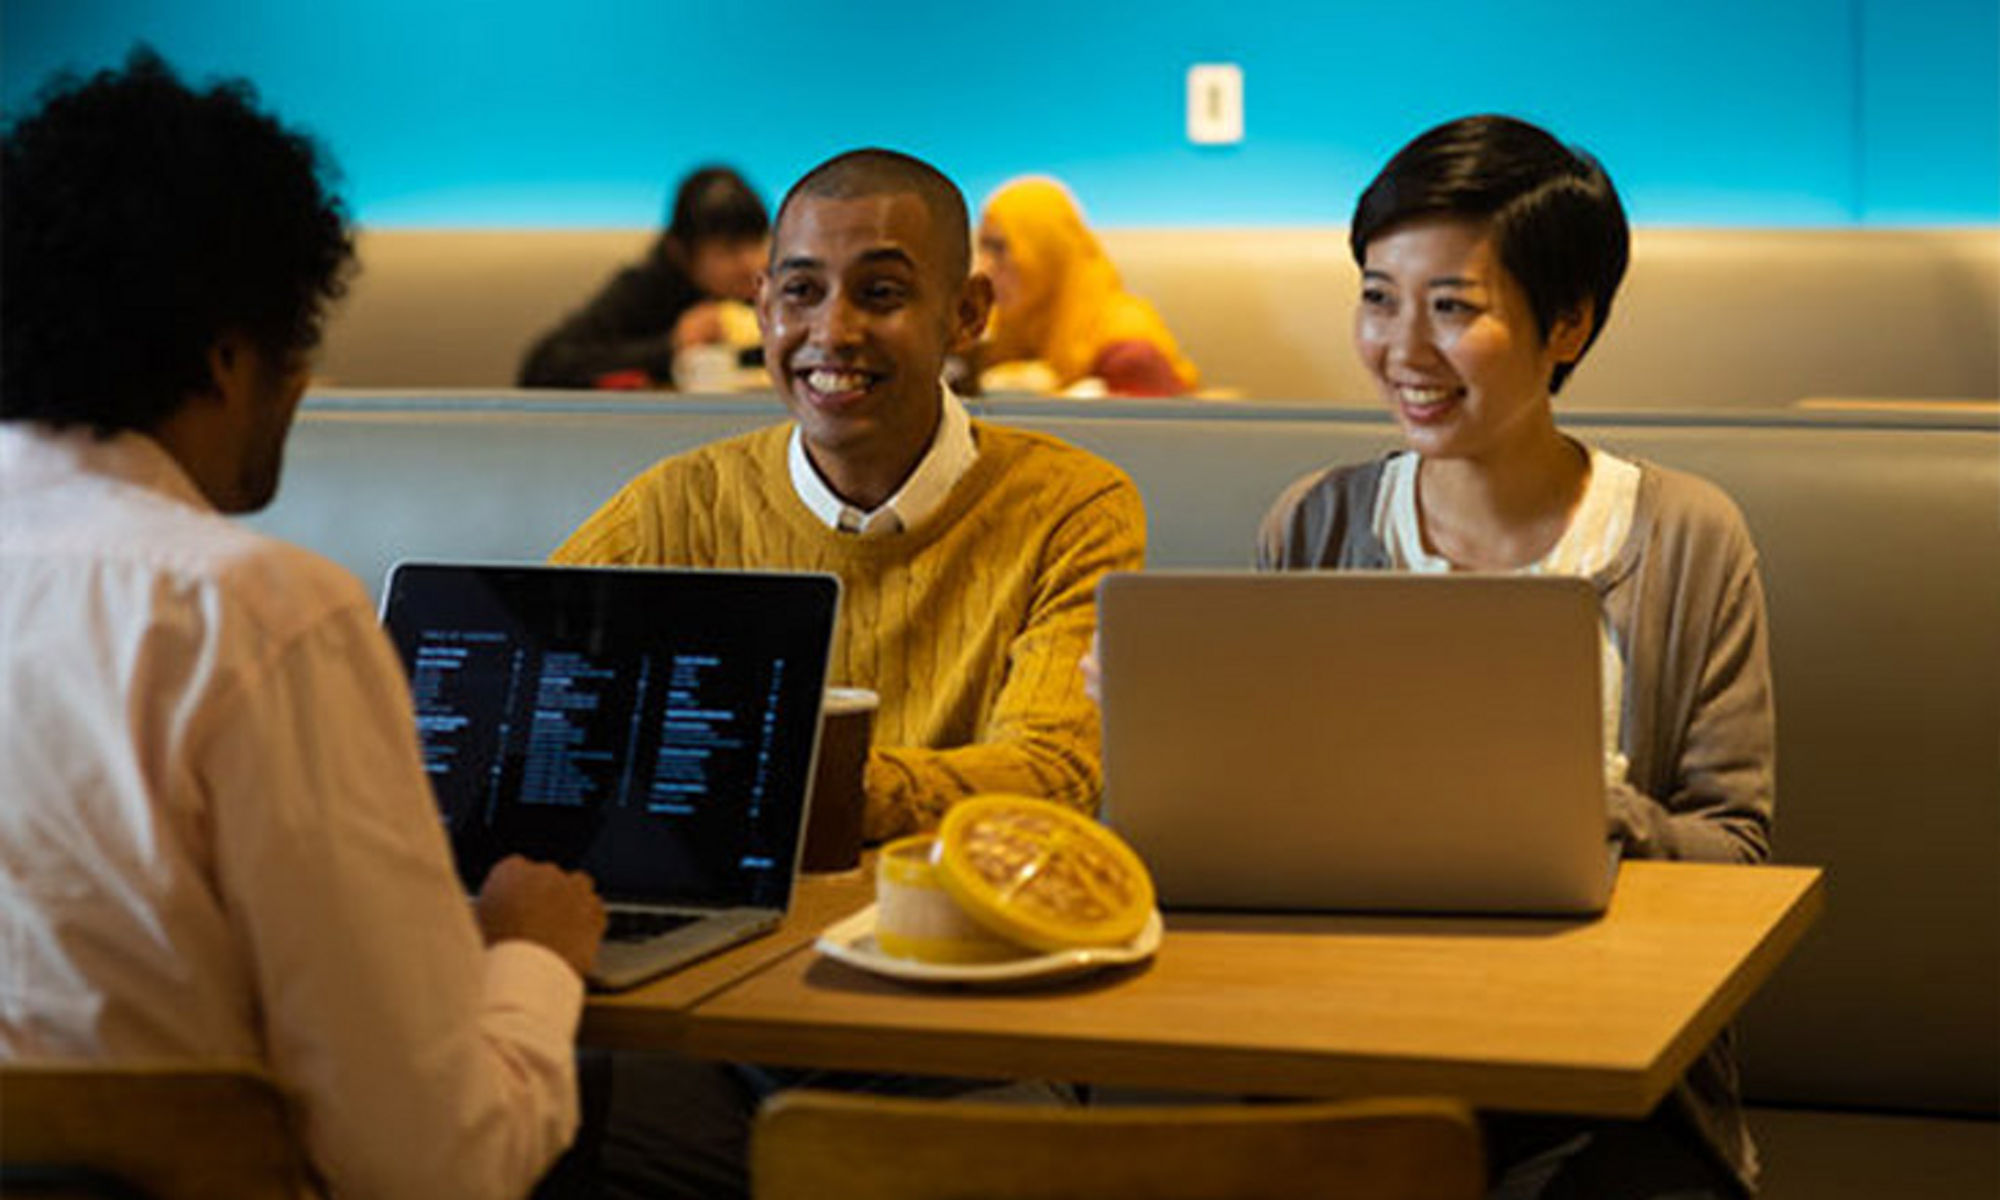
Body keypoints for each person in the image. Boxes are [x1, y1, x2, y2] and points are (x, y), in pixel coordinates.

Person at [0, 50, 609, 1200]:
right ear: (232, 358)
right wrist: (532, 953)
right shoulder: (254, 614)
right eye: (297, 354)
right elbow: (441, 1165)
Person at [1255, 115, 1774, 1198]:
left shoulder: (1684, 536)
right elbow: (1258, 849)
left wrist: (1589, 813)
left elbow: (1735, 860)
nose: (1400, 349)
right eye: (1375, 296)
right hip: (1347, 1056)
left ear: (1567, 324)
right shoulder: (1311, 524)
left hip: (1605, 1080)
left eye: (1451, 308)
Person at [554, 149, 1146, 842]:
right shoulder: (677, 506)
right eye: (803, 293)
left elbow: (1051, 775)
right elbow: (515, 696)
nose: (833, 334)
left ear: (966, 314)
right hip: (721, 931)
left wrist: (764, 777)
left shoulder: (1072, 511)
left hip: (964, 932)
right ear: (765, 307)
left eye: (882, 294)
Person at [519, 165, 769, 390]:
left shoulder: (781, 287)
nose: (751, 264)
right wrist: (671, 345)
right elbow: (544, 367)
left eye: (758, 243)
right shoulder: (647, 289)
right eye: (729, 250)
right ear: (681, 252)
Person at [973, 175, 1199, 397]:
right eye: (982, 247)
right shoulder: (995, 332)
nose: (983, 268)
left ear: (1050, 254)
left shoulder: (1128, 350)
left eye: (999, 249)